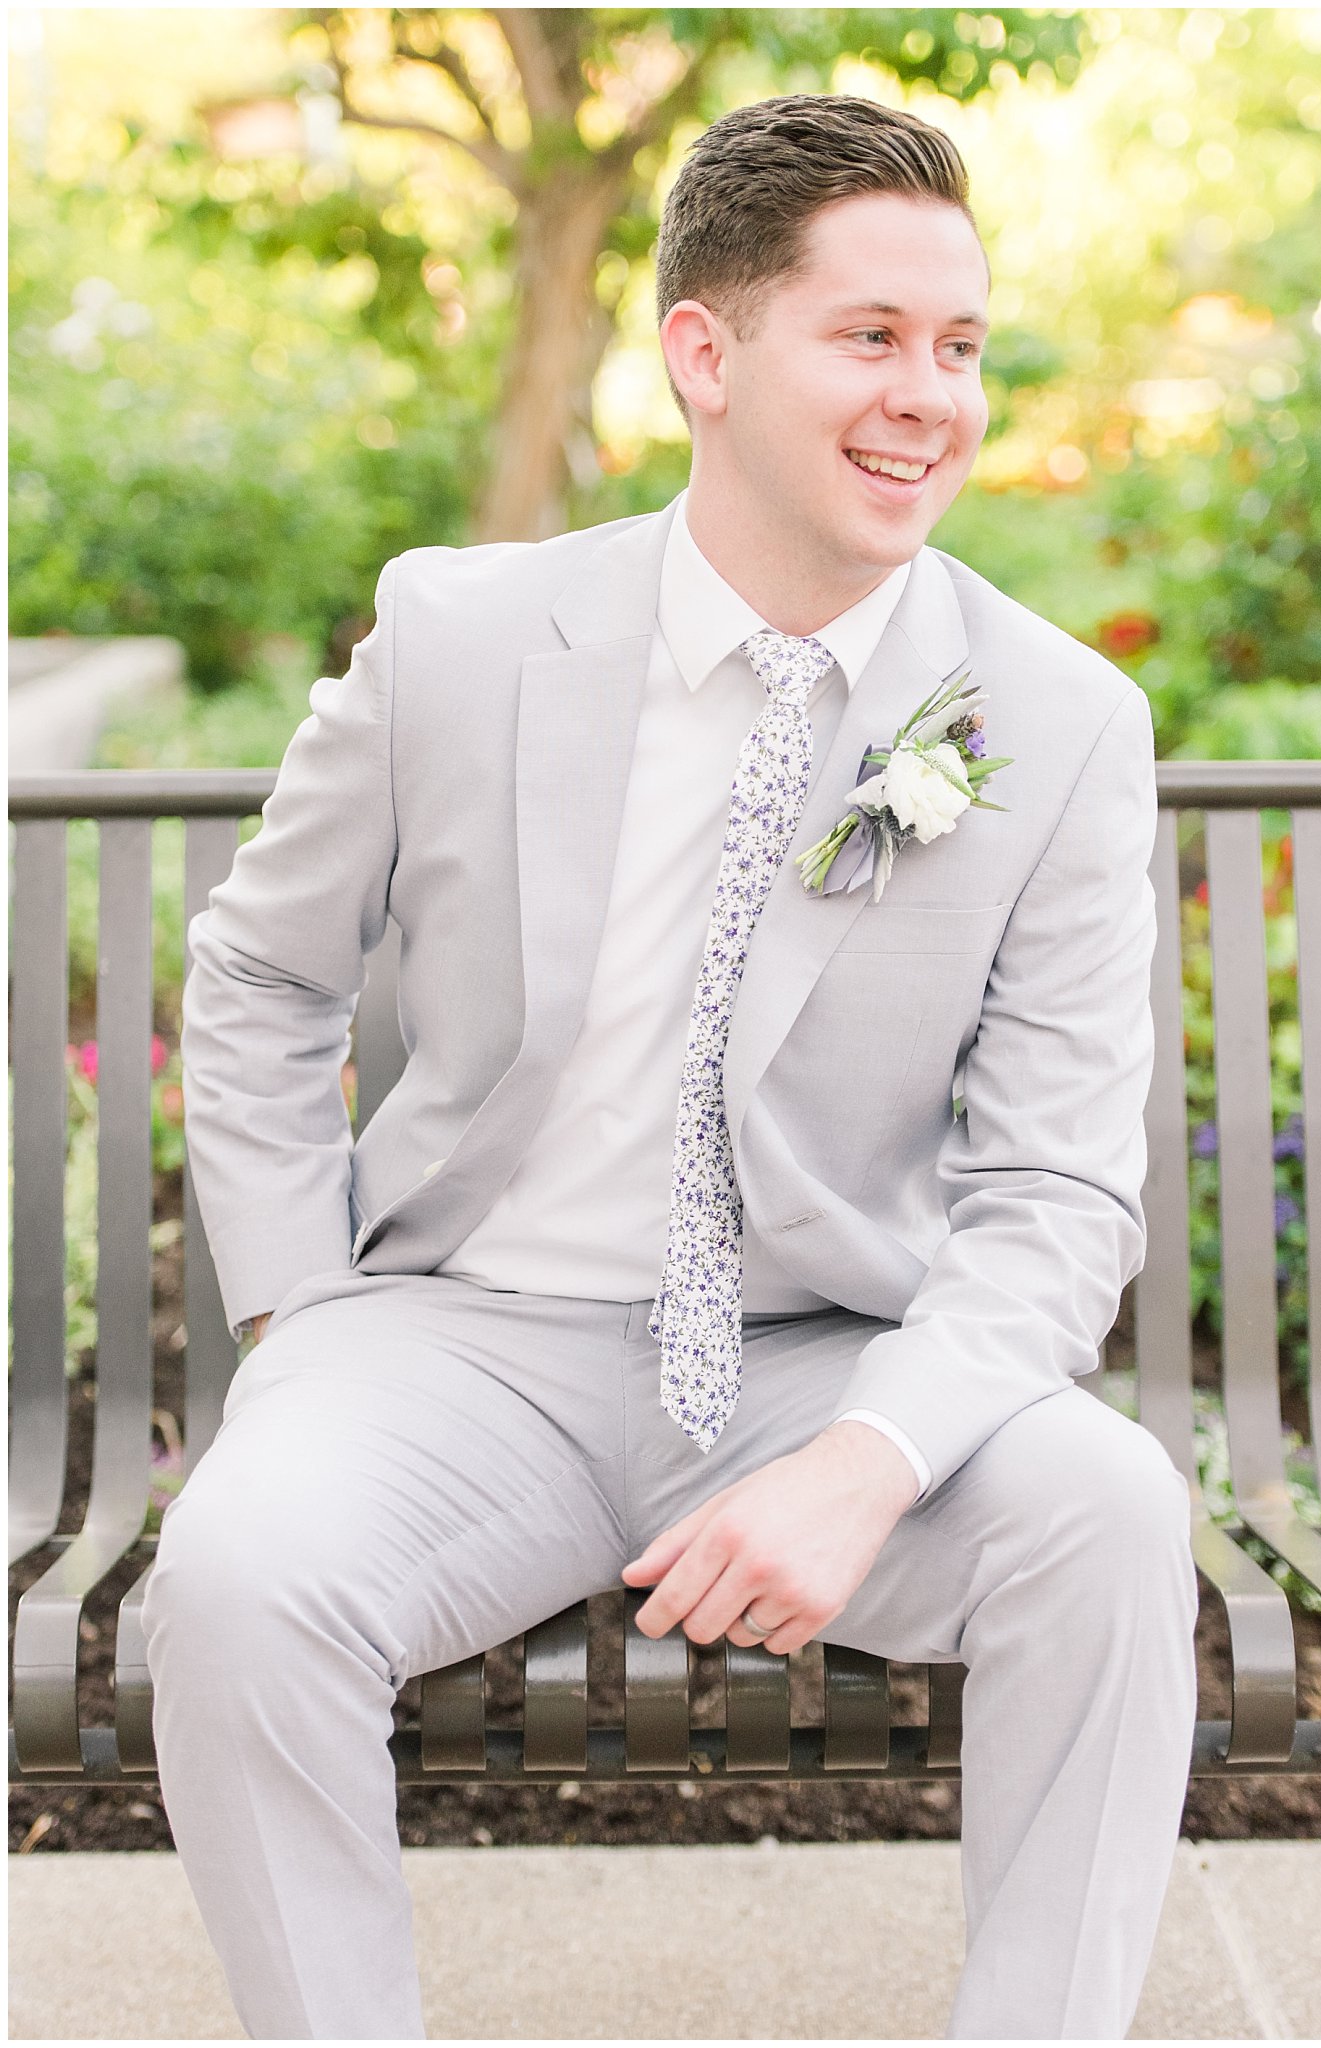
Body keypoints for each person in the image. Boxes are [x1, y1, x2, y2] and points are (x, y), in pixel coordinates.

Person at [142, 92, 1197, 2041]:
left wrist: (871, 1459)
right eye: (869, 336)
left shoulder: (1054, 720)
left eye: (961, 346)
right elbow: (262, 975)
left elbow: (1055, 1190)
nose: (932, 398)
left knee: (1111, 1512)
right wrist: (297, 1309)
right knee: (236, 1570)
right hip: (463, 1340)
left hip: (825, 1353)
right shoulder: (460, 636)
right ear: (702, 354)